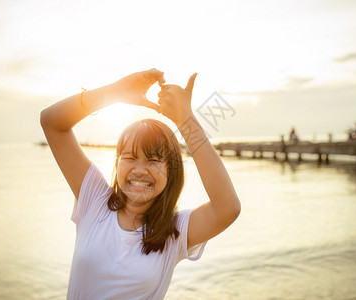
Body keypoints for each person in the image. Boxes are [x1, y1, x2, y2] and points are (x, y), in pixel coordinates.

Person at [40, 68, 241, 299]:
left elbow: (228, 208)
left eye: (154, 160)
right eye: (130, 157)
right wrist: (115, 92)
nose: (139, 170)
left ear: (171, 171)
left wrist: (185, 119)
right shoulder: (95, 201)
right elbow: (52, 122)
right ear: (117, 163)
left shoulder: (174, 232)